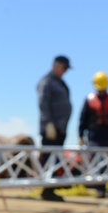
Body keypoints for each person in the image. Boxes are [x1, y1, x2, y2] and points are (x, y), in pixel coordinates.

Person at [36, 55, 72, 201]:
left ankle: (51, 188)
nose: (65, 72)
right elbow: (43, 103)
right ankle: (47, 190)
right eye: (64, 68)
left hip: (60, 129)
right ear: (56, 66)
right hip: (51, 130)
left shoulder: (60, 83)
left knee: (55, 159)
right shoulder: (47, 82)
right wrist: (48, 123)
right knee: (49, 159)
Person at [78, 71, 108, 147]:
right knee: (95, 156)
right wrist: (80, 135)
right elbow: (83, 118)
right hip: (94, 135)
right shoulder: (89, 100)